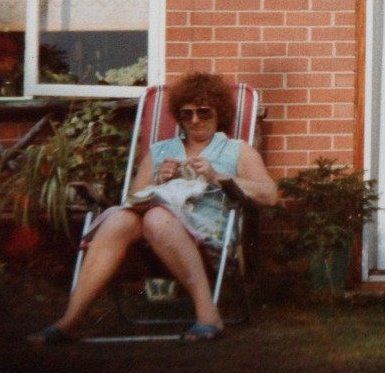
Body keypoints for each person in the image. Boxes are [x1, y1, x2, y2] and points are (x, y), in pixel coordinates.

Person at [28, 72, 278, 344]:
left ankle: (208, 315)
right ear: (179, 116)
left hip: (205, 236)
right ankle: (70, 321)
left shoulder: (236, 150)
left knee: (157, 218)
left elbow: (269, 195)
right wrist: (159, 181)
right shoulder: (159, 151)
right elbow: (134, 200)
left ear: (220, 112)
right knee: (120, 220)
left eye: (204, 112)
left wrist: (218, 176)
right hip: (150, 239)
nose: (195, 120)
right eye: (187, 114)